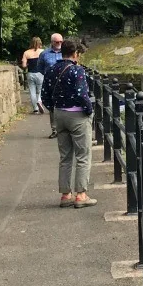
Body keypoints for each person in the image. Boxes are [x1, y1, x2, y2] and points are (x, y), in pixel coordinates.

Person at [41, 39, 97, 209]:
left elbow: (44, 95)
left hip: (59, 114)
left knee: (65, 157)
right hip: (77, 115)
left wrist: (54, 109)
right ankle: (81, 195)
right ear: (75, 54)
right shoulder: (76, 70)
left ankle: (66, 195)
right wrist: (89, 110)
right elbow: (82, 94)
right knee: (83, 156)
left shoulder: (51, 70)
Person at [38, 33, 65, 138]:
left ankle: (65, 128)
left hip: (65, 82)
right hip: (51, 83)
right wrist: (48, 76)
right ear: (52, 42)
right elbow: (40, 67)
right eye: (57, 42)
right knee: (53, 106)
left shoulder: (66, 52)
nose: (59, 44)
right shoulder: (44, 54)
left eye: (61, 42)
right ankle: (55, 130)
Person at [21, 37, 46, 114]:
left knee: (32, 91)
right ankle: (39, 100)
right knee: (40, 90)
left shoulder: (26, 53)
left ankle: (35, 108)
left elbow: (24, 65)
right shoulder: (43, 52)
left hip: (30, 73)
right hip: (40, 73)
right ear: (40, 43)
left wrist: (28, 64)